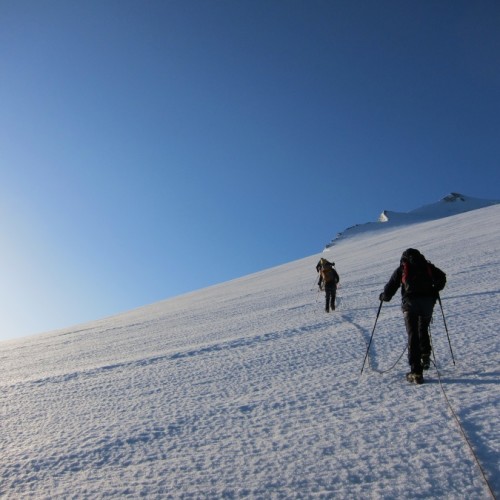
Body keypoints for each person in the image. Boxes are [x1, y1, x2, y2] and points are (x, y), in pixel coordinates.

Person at [379, 248, 446, 384]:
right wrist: (433, 290)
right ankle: (425, 355)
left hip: (410, 304)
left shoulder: (403, 268)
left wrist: (383, 297)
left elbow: (390, 288)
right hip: (427, 303)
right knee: (423, 328)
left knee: (413, 335)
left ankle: (416, 372)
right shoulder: (426, 265)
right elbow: (442, 277)